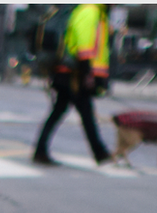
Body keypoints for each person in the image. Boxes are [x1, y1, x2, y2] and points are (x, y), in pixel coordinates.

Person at [33, 4, 112, 167]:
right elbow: (83, 43)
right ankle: (101, 153)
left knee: (60, 111)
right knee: (85, 113)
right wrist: (88, 72)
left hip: (71, 72)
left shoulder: (94, 12)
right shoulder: (89, 11)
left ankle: (40, 151)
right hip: (74, 73)